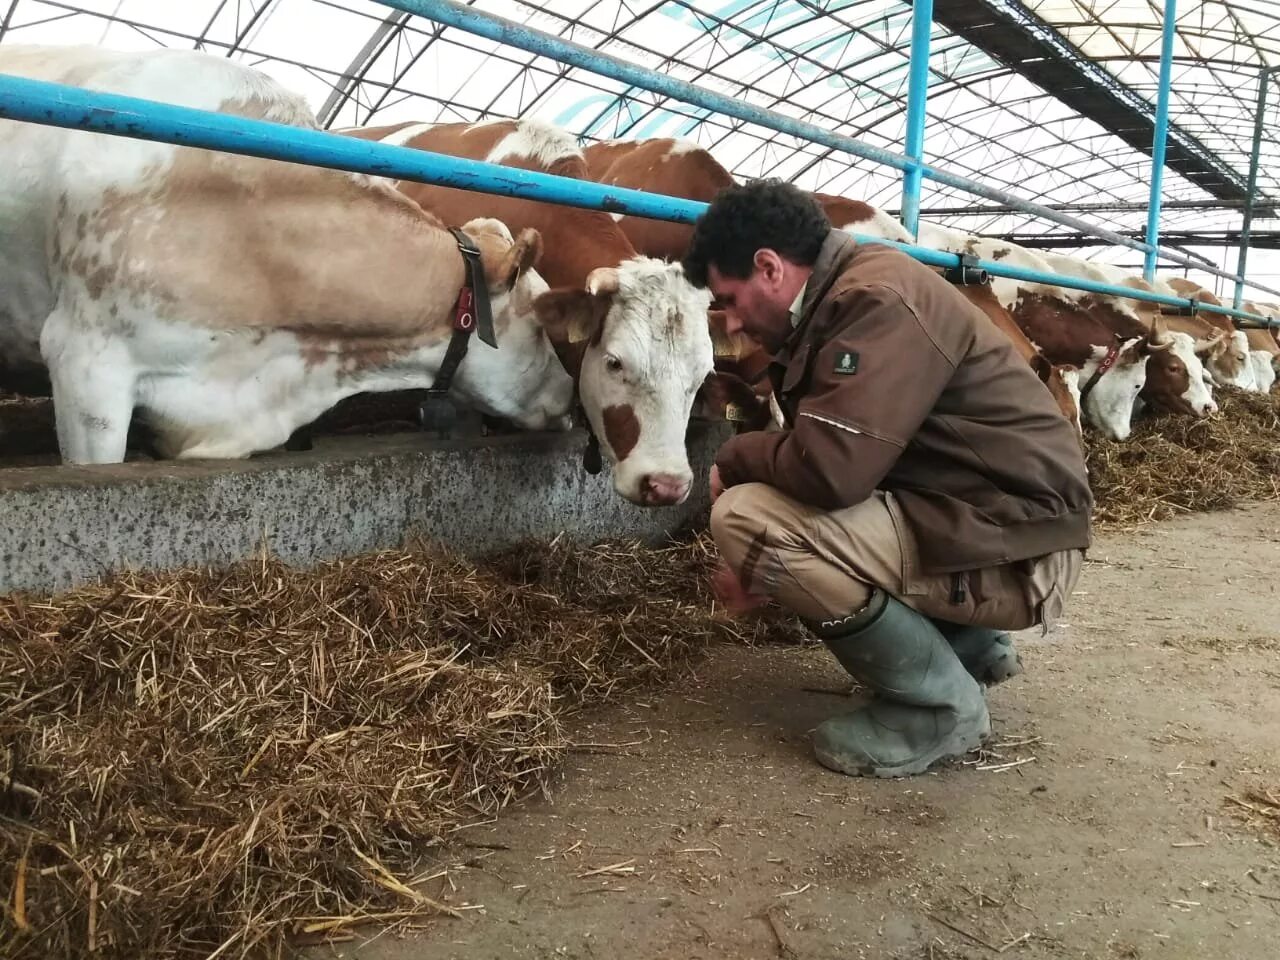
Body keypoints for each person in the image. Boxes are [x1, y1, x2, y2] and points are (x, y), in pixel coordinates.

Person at [681, 180, 1093, 779]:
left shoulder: (876, 301)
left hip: (1018, 550)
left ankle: (938, 709)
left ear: (769, 267)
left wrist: (736, 456)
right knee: (778, 510)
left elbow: (831, 471)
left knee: (749, 518)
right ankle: (966, 645)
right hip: (995, 525)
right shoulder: (852, 293)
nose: (735, 324)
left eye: (731, 299)